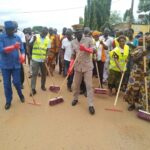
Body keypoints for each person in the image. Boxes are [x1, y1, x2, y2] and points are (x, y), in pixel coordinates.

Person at [69, 24, 95, 115]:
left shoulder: (89, 40)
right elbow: (73, 55)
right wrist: (70, 66)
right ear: (75, 34)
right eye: (76, 33)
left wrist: (85, 49)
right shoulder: (73, 42)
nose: (78, 34)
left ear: (82, 32)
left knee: (89, 86)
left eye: (79, 32)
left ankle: (91, 105)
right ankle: (75, 99)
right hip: (77, 66)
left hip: (87, 66)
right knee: (76, 85)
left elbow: (93, 50)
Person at [0, 21, 25, 110]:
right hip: (5, 66)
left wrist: (22, 56)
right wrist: (13, 47)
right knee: (7, 85)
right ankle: (8, 101)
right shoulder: (1, 37)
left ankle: (20, 95)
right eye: (10, 30)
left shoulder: (17, 37)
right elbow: (2, 50)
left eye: (13, 30)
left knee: (17, 82)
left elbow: (22, 49)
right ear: (6, 30)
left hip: (16, 65)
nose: (12, 31)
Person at [124, 36, 150, 111]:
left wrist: (147, 72)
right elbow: (134, 60)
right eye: (148, 42)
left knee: (144, 90)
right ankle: (131, 104)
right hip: (136, 72)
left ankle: (142, 105)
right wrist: (142, 54)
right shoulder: (140, 49)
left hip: (145, 73)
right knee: (133, 88)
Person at [30, 27, 50, 95]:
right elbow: (30, 45)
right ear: (41, 32)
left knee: (44, 74)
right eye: (43, 33)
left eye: (45, 34)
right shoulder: (35, 36)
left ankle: (43, 86)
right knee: (34, 74)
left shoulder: (48, 39)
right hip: (35, 59)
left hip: (43, 60)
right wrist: (33, 40)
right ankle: (33, 89)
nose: (44, 35)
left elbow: (48, 49)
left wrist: (46, 56)